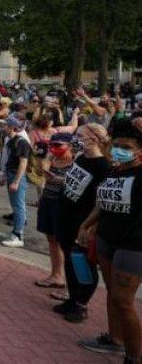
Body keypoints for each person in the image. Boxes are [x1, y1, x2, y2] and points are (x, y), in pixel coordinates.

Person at [78, 118, 142, 363]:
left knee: (124, 301)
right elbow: (103, 202)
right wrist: (87, 224)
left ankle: (134, 357)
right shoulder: (116, 169)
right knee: (113, 293)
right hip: (107, 238)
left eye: (126, 147)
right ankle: (114, 339)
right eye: (116, 145)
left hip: (133, 244)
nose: (119, 150)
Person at [52, 123, 110, 323]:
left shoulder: (104, 167)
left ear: (94, 138)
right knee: (69, 259)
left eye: (80, 135)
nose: (76, 139)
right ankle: (72, 298)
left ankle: (82, 304)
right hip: (66, 217)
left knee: (83, 263)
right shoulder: (81, 158)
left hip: (83, 221)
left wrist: (90, 226)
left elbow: (101, 200)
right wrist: (58, 180)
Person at [34, 132, 74, 295]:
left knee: (66, 244)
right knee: (51, 238)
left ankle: (70, 284)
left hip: (63, 205)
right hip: (48, 200)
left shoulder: (76, 162)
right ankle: (56, 275)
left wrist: (57, 179)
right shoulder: (52, 159)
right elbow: (40, 170)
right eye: (51, 145)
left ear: (70, 146)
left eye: (58, 145)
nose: (53, 148)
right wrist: (49, 156)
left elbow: (76, 184)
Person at [0, 114, 31, 247]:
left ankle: (18, 235)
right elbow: (9, 161)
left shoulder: (21, 142)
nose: (2, 127)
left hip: (18, 177)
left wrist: (16, 181)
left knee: (18, 206)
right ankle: (15, 232)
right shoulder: (11, 140)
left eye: (5, 125)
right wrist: (5, 176)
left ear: (12, 127)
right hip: (12, 175)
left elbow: (23, 163)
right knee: (15, 205)